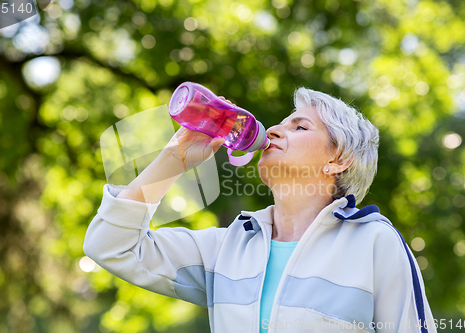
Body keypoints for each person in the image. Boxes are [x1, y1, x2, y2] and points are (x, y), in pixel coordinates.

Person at [83, 88, 437, 333]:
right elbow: (111, 246)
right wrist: (174, 159)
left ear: (338, 160)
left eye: (300, 126)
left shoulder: (375, 243)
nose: (276, 130)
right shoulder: (227, 250)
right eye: (281, 123)